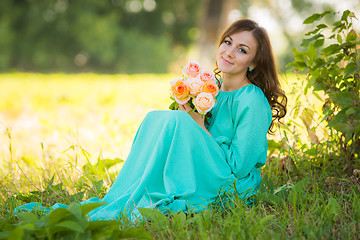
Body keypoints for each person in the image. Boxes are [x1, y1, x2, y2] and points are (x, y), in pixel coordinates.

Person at [17, 19, 287, 221]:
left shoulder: (251, 100)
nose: (229, 52)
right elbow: (184, 136)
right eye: (228, 42)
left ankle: (158, 190)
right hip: (203, 162)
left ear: (253, 62)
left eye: (242, 50)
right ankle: (130, 190)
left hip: (231, 180)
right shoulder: (211, 86)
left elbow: (239, 166)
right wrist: (188, 112)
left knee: (178, 122)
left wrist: (197, 124)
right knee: (158, 118)